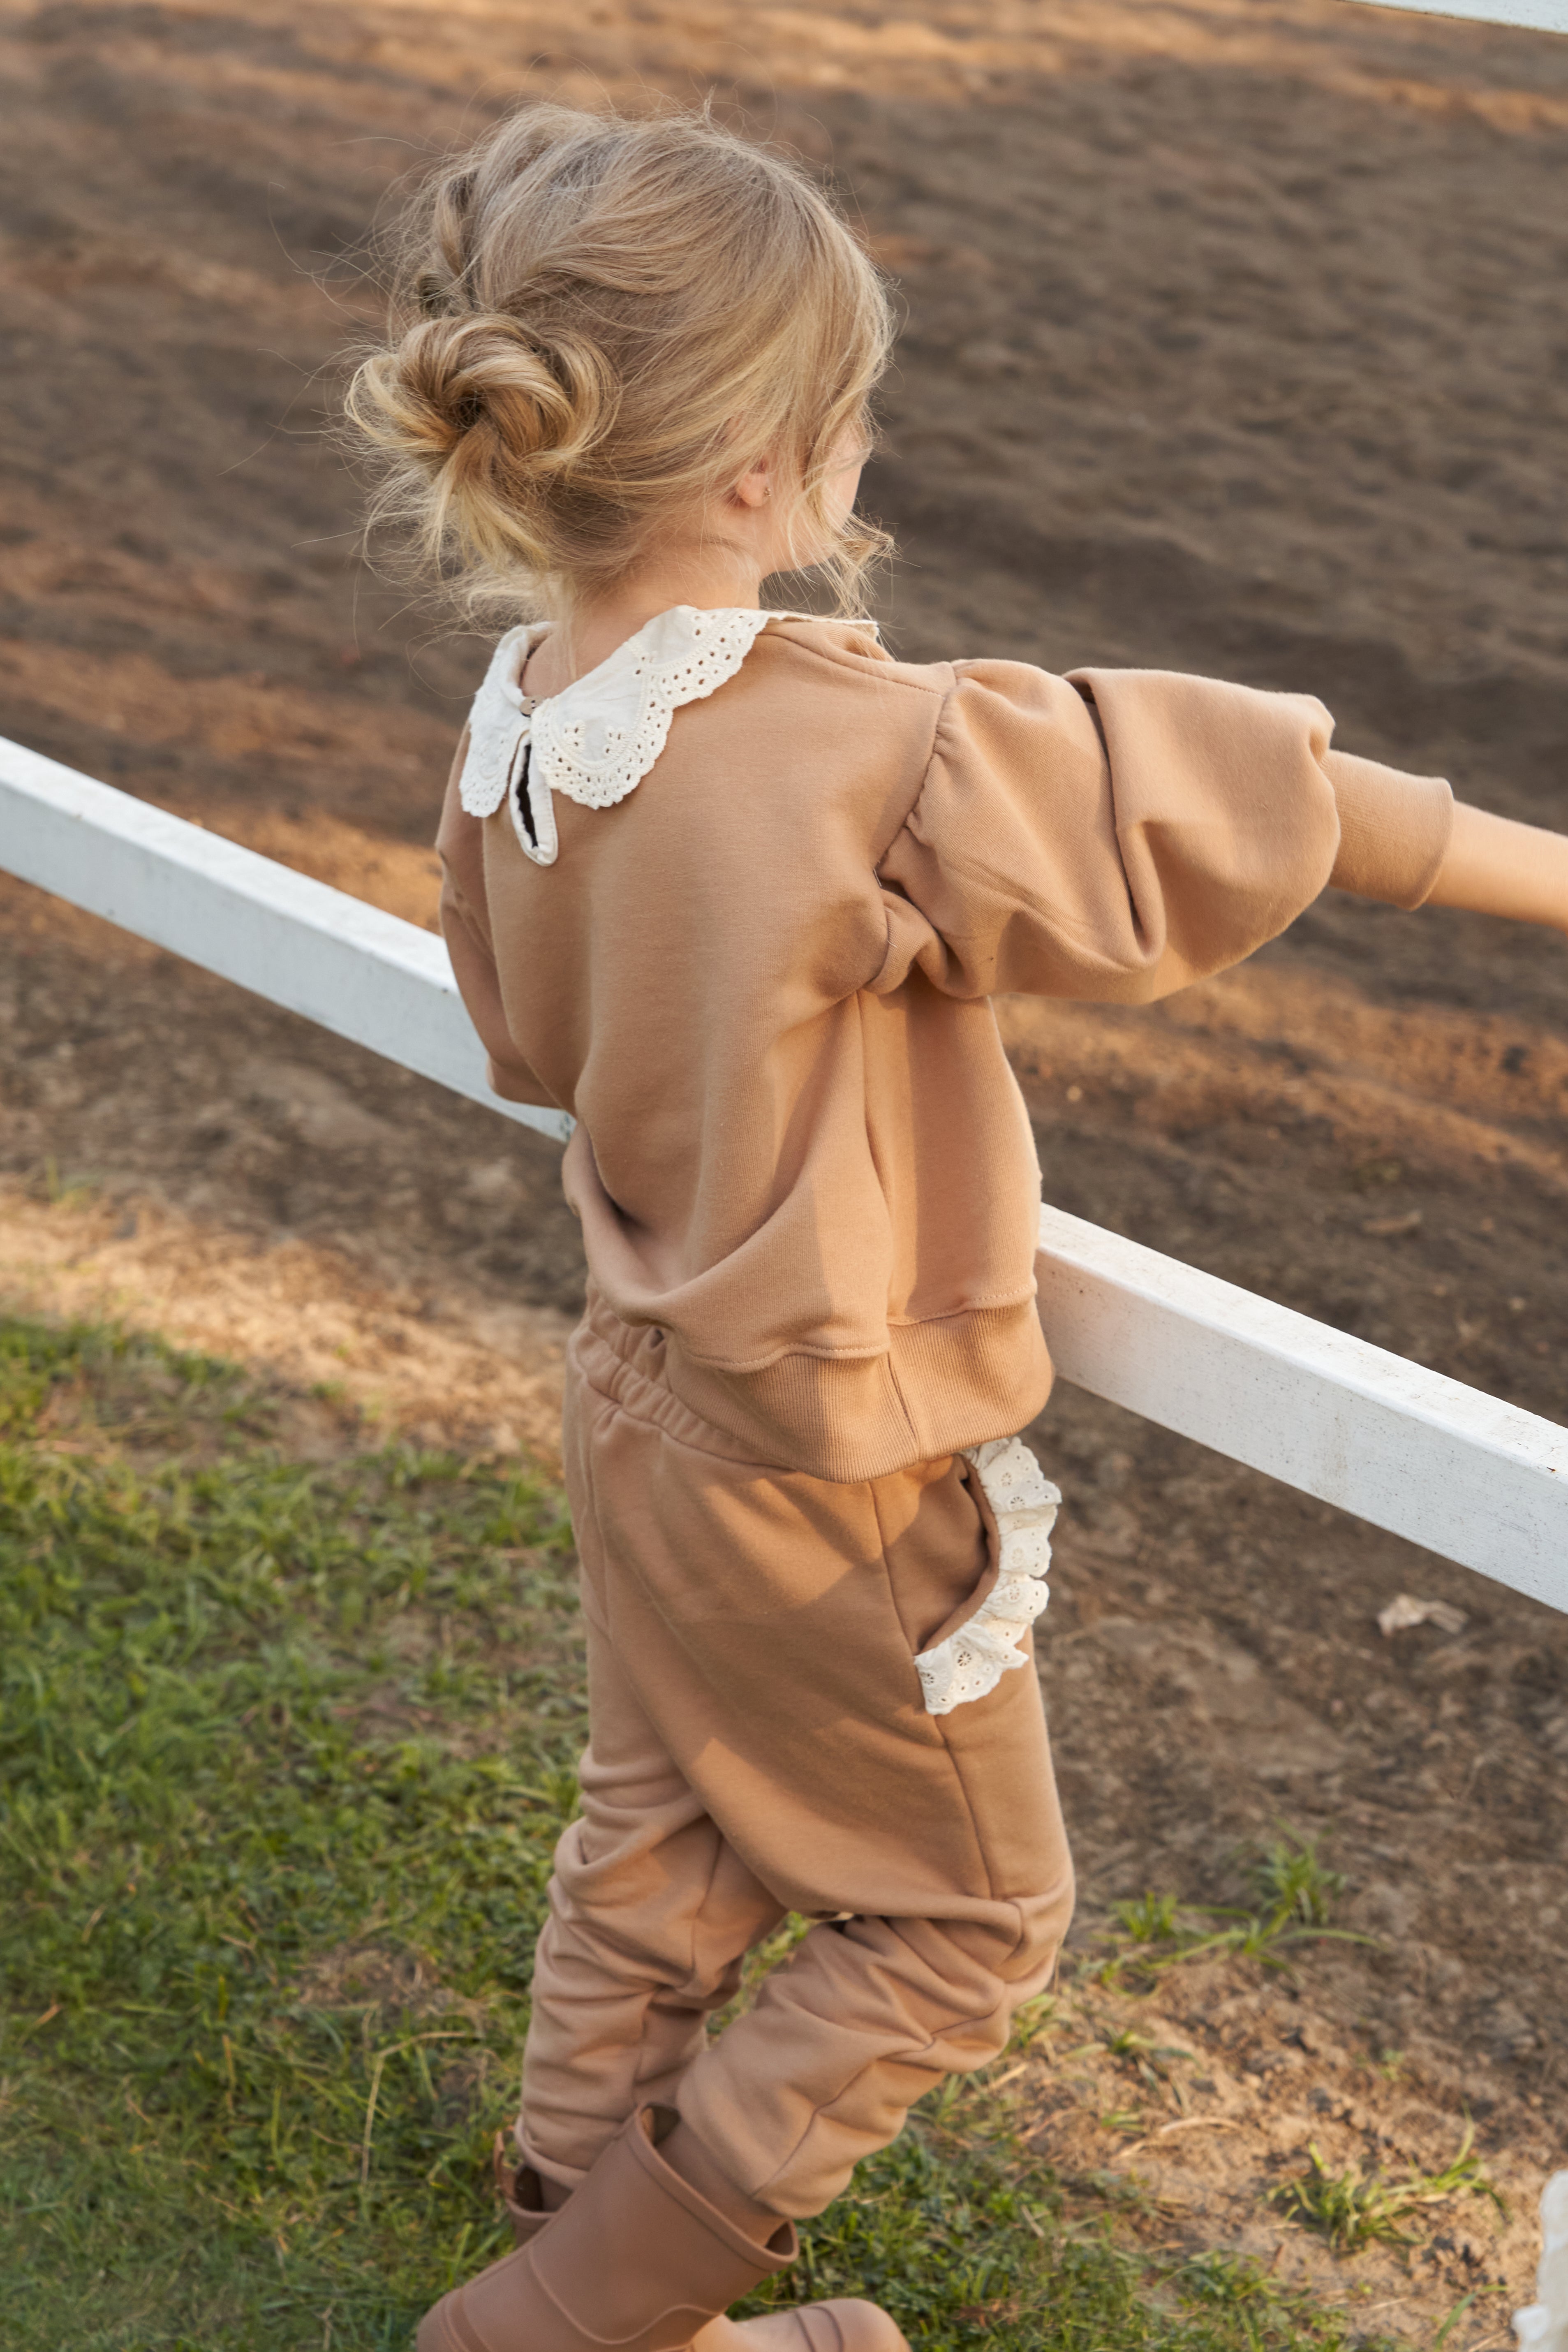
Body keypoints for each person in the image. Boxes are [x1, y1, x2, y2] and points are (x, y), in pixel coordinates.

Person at [345, 102, 1568, 2352]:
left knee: (662, 1827)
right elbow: (1238, 798)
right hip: (821, 1457)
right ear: (762, 473)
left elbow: (524, 1037)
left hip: (636, 1393)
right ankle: (567, 2319)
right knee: (963, 1919)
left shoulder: (514, 725)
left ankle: (592, 2257)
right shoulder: (853, 747)